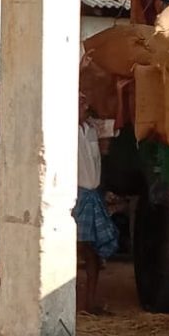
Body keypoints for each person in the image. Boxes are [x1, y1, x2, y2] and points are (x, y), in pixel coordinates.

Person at [74, 93, 119, 315]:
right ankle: (73, 302)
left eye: (85, 101)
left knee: (93, 253)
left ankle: (89, 303)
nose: (85, 104)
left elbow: (115, 123)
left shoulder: (92, 129)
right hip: (76, 196)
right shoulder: (62, 130)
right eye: (79, 101)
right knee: (77, 250)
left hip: (92, 194)